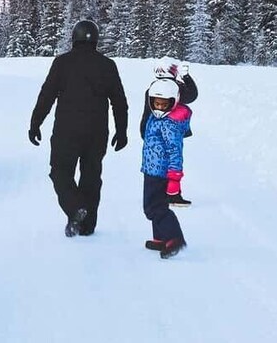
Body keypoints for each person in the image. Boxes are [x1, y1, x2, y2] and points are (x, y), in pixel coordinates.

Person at [29, 20, 128, 237]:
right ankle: (87, 225)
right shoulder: (107, 65)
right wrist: (122, 131)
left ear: (74, 38)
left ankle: (75, 208)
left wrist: (35, 123)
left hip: (67, 132)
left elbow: (46, 96)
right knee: (91, 177)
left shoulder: (62, 63)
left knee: (60, 172)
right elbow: (119, 102)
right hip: (97, 133)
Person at [139, 57, 198, 207]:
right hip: (171, 130)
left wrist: (144, 131)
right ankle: (171, 192)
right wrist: (186, 77)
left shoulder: (158, 88)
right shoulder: (174, 87)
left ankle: (167, 193)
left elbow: (146, 113)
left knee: (165, 161)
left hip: (161, 131)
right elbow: (192, 95)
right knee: (172, 159)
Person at [141, 78, 189, 259]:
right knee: (154, 204)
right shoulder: (154, 117)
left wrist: (175, 177)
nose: (159, 107)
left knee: (154, 207)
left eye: (163, 104)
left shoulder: (169, 124)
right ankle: (161, 238)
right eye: (156, 103)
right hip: (151, 169)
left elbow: (175, 150)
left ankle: (174, 237)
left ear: (173, 103)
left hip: (161, 171)